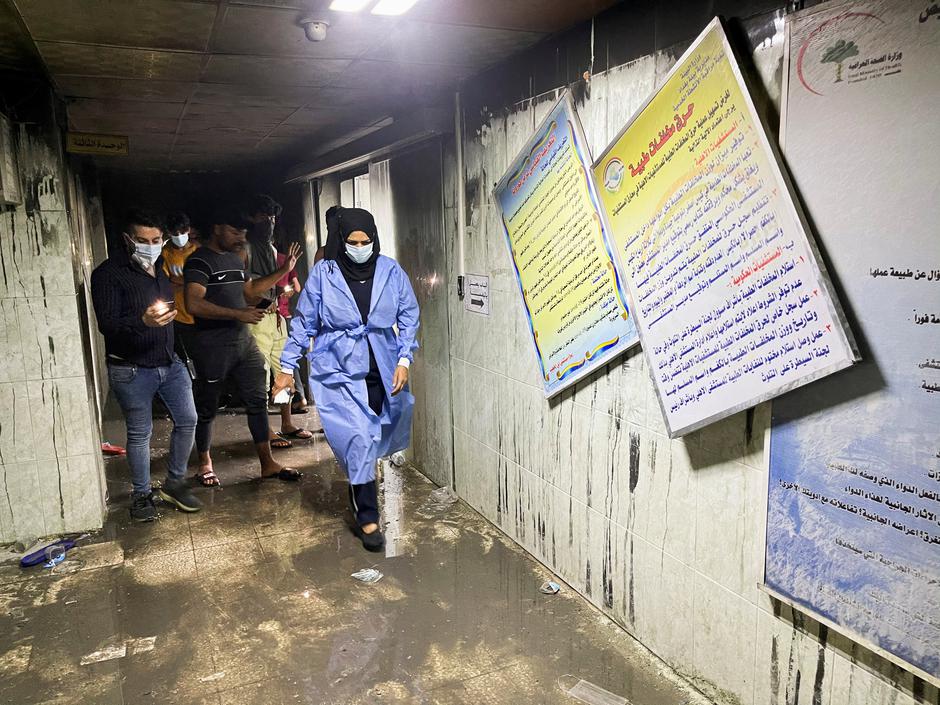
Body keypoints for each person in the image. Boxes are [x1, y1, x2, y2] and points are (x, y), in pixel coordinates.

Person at [272, 207, 419, 551]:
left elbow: (408, 315)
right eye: (352, 241)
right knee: (358, 439)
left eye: (365, 241)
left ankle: (363, 477)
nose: (359, 246)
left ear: (374, 240)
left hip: (381, 366)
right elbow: (304, 323)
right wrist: (286, 367)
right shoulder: (325, 274)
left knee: (374, 435)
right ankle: (367, 517)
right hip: (338, 370)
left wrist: (403, 359)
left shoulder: (390, 271)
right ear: (341, 241)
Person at [91, 208, 202, 521]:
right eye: (143, 240)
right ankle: (141, 495)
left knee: (188, 419)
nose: (151, 245)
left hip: (169, 362)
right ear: (129, 239)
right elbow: (108, 325)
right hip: (131, 368)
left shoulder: (162, 269)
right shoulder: (108, 274)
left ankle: (174, 483)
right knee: (140, 434)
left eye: (156, 239)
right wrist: (141, 321)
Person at [183, 207, 303, 483]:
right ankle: (205, 462)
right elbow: (193, 303)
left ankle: (267, 463)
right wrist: (239, 314)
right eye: (235, 232)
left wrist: (283, 271)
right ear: (217, 228)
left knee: (258, 401)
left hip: (242, 342)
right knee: (208, 406)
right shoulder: (199, 262)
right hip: (213, 345)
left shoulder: (235, 259)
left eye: (244, 232)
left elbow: (248, 291)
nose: (241, 237)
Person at [244, 194, 313, 447]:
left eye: (272, 217)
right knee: (260, 379)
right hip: (257, 319)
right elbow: (250, 289)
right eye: (264, 217)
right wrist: (284, 271)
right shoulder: (246, 248)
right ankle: (265, 431)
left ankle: (286, 422)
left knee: (284, 372)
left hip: (277, 318)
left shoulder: (270, 247)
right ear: (252, 218)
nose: (269, 222)